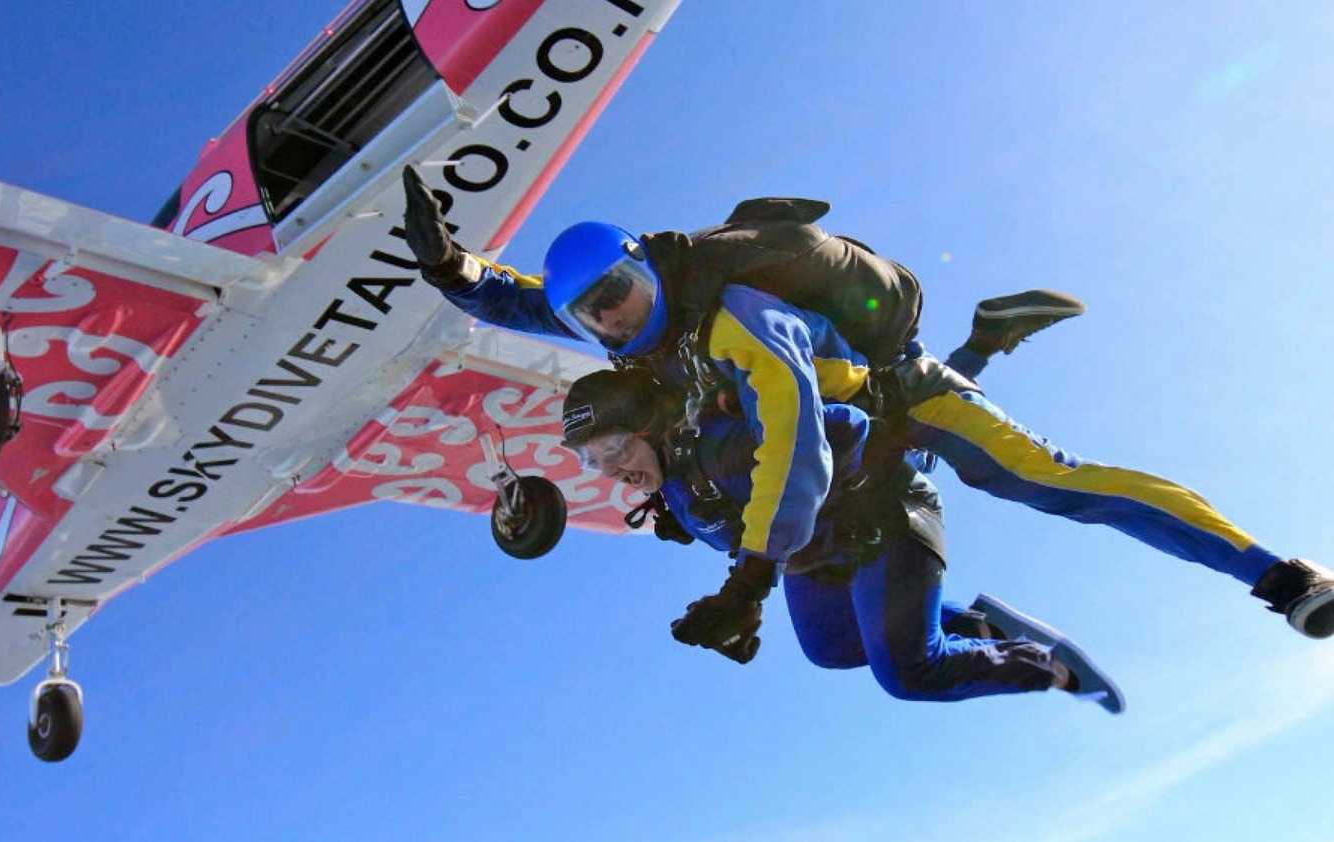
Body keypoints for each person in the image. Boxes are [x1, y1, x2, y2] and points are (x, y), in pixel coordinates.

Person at [401, 167, 1334, 639]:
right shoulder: (626, 322)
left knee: (1044, 482)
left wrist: (749, 581)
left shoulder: (731, 315)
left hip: (903, 396)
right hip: (860, 429)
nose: (610, 319)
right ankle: (991, 332)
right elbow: (527, 300)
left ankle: (1282, 576)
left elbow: (796, 448)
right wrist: (452, 267)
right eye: (591, 314)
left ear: (646, 264)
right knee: (871, 519)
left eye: (618, 293)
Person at [559, 365, 1124, 712]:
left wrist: (852, 487)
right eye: (592, 460)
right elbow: (753, 531)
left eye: (615, 449)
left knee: (910, 674)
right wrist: (739, 612)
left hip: (882, 519)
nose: (610, 469)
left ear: (651, 428)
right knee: (830, 649)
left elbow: (844, 425)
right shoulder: (679, 485)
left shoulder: (721, 445)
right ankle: (977, 624)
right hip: (822, 557)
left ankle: (1044, 665)